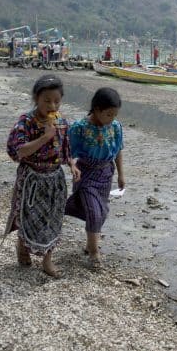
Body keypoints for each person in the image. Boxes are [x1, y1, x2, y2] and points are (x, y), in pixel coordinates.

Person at [5, 75, 80, 277]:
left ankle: (48, 260)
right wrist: (45, 137)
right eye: (47, 100)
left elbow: (66, 149)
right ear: (36, 99)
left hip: (54, 178)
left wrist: (72, 165)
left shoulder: (62, 123)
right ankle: (23, 244)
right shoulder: (26, 122)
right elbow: (19, 151)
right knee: (27, 215)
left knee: (53, 219)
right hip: (31, 179)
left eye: (56, 101)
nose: (52, 105)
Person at [65, 87, 125, 270]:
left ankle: (89, 242)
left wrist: (122, 174)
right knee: (93, 210)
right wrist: (72, 165)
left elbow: (118, 150)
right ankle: (93, 252)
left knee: (102, 210)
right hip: (86, 174)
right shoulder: (80, 128)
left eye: (114, 114)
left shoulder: (115, 127)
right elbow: (68, 151)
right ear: (97, 109)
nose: (112, 118)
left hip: (106, 174)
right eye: (108, 114)